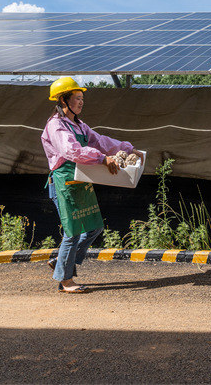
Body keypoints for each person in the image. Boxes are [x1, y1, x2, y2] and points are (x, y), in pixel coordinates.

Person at [41, 77, 141, 293]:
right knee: (73, 231)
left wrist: (127, 148)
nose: (81, 102)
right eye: (77, 98)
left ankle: (61, 261)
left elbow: (100, 141)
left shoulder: (78, 125)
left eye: (82, 98)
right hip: (64, 182)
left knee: (95, 227)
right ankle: (65, 280)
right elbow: (72, 151)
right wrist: (103, 159)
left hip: (81, 180)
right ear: (63, 100)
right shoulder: (56, 126)